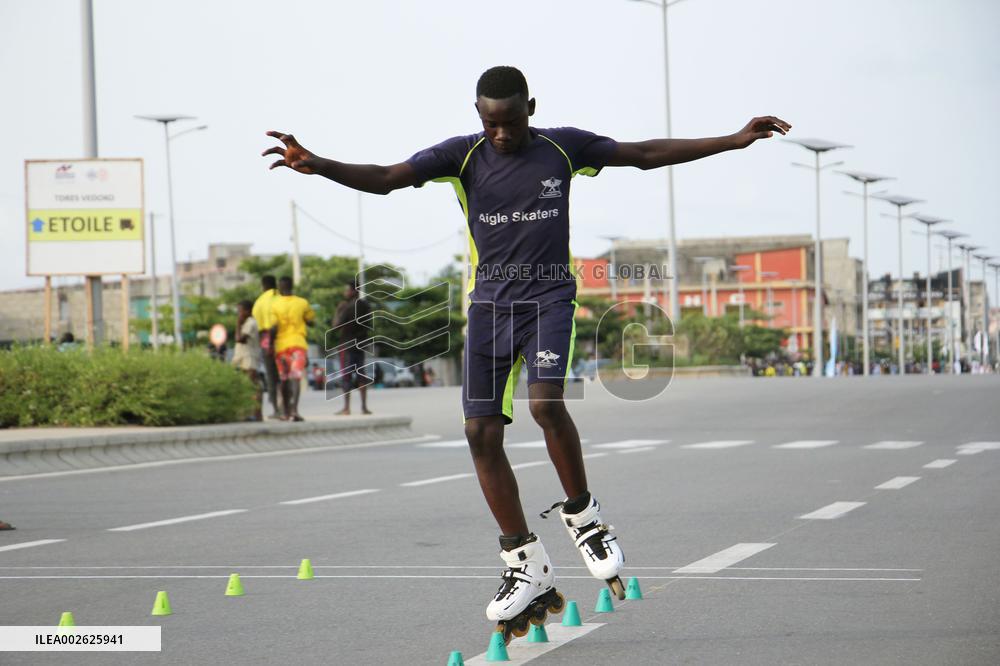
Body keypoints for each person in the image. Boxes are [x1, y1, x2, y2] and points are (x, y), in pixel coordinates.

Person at [262, 65, 789, 635]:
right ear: (478, 115)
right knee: (479, 433)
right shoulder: (462, 156)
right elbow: (387, 176)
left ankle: (585, 518)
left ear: (530, 109)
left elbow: (641, 152)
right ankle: (524, 562)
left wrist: (733, 140)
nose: (502, 134)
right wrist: (317, 165)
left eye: (511, 122)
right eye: (491, 123)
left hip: (548, 302)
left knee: (544, 405)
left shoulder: (563, 149)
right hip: (489, 310)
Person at [269, 276, 315, 421]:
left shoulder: (274, 305)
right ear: (292, 286)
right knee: (295, 377)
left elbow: (273, 328)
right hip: (298, 344)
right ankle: (295, 411)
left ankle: (285, 412)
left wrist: (270, 345)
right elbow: (311, 322)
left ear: (279, 287)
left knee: (284, 379)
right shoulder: (302, 303)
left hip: (281, 347)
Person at [331, 280, 372, 415]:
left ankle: (347, 408)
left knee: (346, 377)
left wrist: (338, 310)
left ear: (354, 291)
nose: (345, 293)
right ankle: (364, 407)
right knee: (361, 375)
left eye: (347, 290)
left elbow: (335, 326)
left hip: (347, 345)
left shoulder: (348, 307)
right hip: (361, 344)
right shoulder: (366, 306)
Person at [252, 275, 282, 419]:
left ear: (263, 285)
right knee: (285, 376)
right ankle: (286, 408)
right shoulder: (282, 297)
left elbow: (256, 327)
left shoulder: (259, 302)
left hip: (266, 342)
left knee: (272, 377)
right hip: (284, 341)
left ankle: (276, 409)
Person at [232, 300, 263, 421]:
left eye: (240, 311)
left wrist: (238, 324)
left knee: (252, 386)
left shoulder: (251, 323)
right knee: (246, 386)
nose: (238, 314)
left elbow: (239, 339)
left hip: (249, 357)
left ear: (248, 311)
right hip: (241, 357)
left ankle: (256, 413)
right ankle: (249, 413)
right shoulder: (245, 323)